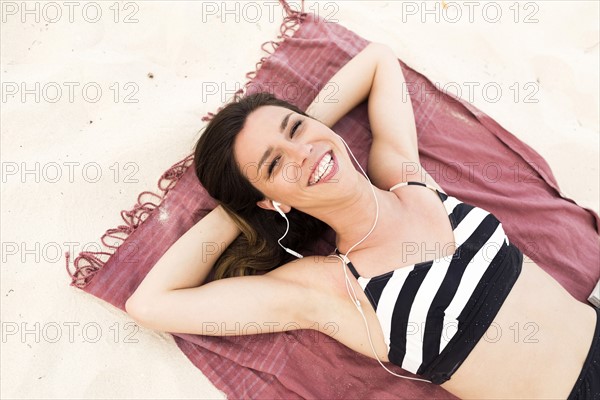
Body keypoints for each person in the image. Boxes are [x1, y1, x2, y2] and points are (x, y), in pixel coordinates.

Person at [125, 42, 599, 399]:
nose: (303, 152)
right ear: (270, 202)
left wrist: (307, 139)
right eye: (273, 165)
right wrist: (246, 207)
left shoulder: (406, 180)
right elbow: (150, 303)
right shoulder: (325, 289)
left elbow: (378, 61)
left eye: (296, 129)